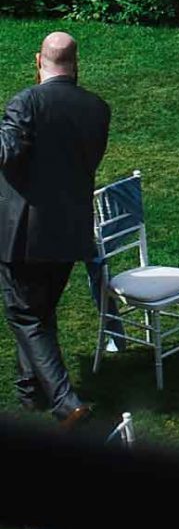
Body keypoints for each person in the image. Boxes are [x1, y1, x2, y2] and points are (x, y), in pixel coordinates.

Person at [0, 31, 111, 426]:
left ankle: (66, 403)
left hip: (24, 236)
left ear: (37, 61)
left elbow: (7, 155)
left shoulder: (26, 103)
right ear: (76, 63)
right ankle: (29, 391)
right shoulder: (98, 109)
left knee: (26, 316)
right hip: (70, 232)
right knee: (40, 312)